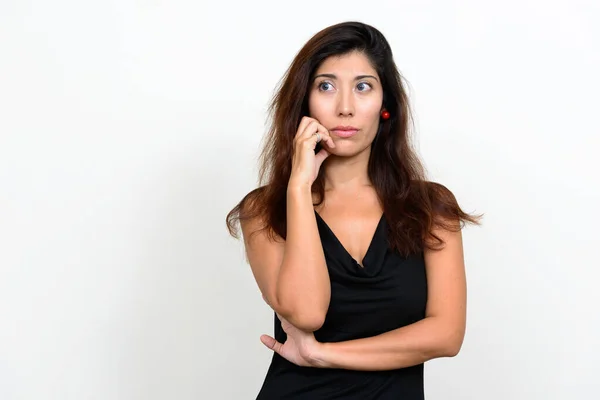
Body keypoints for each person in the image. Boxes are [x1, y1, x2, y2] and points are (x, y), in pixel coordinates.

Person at [226, 21, 482, 400]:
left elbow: (446, 335)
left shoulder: (430, 208)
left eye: (363, 87)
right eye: (326, 86)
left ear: (385, 106)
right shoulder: (264, 210)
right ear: (304, 103)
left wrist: (322, 354)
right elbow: (308, 313)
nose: (345, 108)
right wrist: (298, 187)